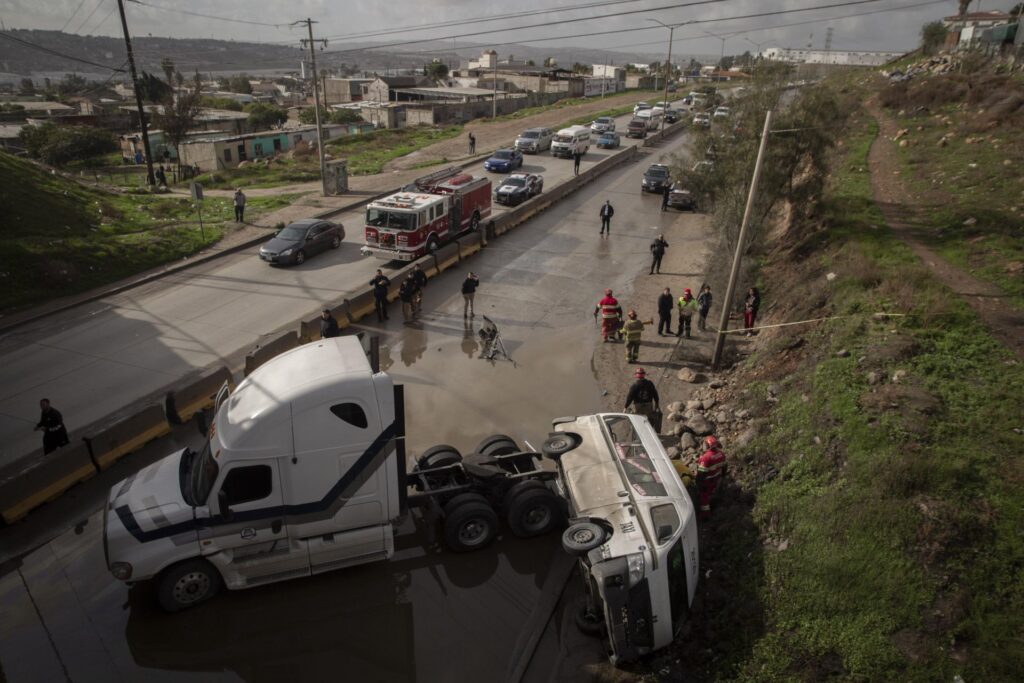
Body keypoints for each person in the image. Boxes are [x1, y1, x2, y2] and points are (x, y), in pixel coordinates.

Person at [696, 435, 727, 520]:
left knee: (704, 499)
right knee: (712, 494)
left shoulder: (705, 458)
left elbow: (701, 474)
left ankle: (705, 516)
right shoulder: (721, 454)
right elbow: (724, 467)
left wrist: (698, 483)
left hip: (707, 481)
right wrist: (723, 476)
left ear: (707, 445)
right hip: (716, 479)